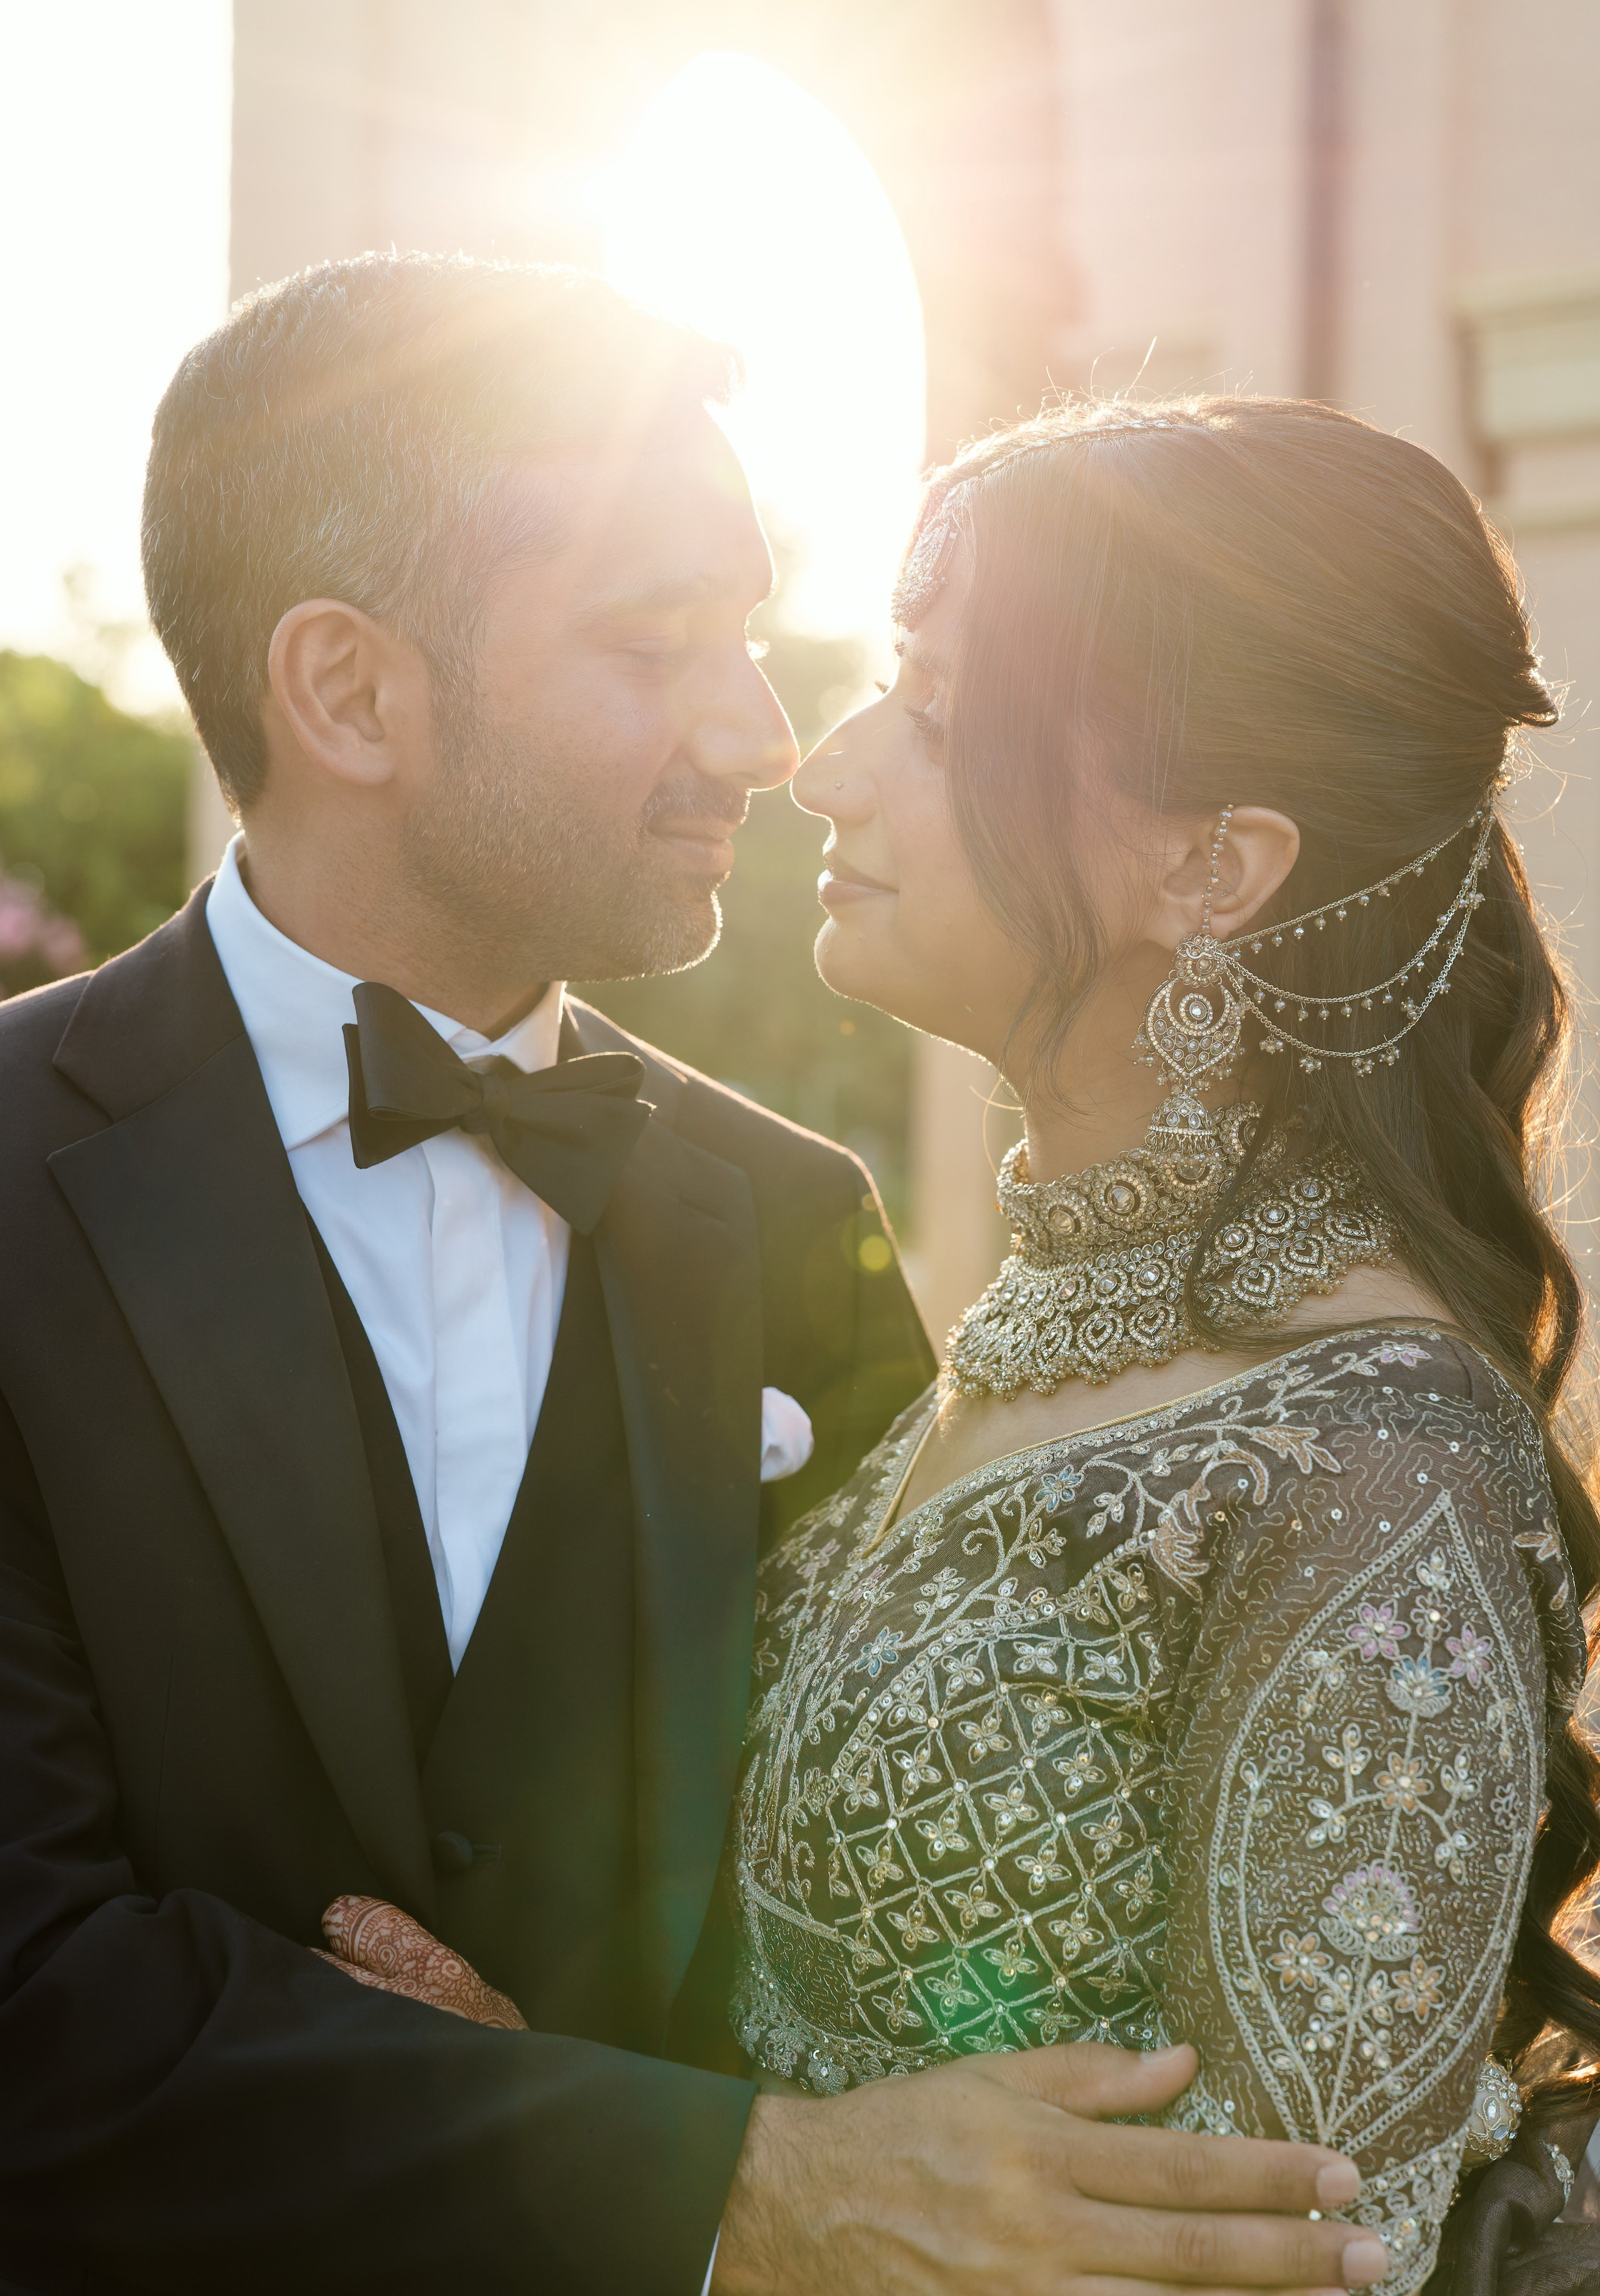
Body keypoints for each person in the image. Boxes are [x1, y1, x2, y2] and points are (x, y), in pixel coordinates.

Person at [0, 263, 1378, 2296]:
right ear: (349, 694)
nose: (761, 732)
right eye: (656, 646)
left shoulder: (792, 1218)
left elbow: (911, 1896)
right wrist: (712, 2187)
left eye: (747, 629)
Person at [717, 395, 1600, 2296]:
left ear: (1213, 865)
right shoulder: (1030, 1340)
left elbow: (1300, 2264)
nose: (829, 768)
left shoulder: (1375, 1468)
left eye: (939, 715)